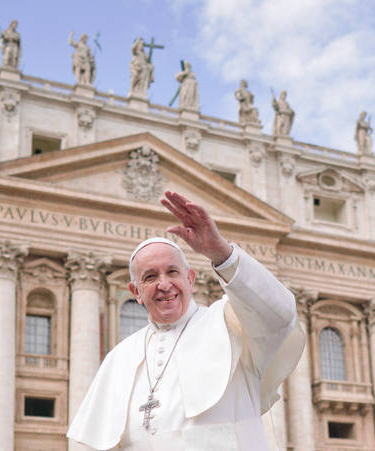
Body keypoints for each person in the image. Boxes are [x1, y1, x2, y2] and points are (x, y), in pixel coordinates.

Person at [68, 191, 305, 450]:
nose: (164, 284)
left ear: (190, 279)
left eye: (172, 272)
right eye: (150, 277)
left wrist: (221, 253)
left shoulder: (231, 324)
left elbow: (280, 315)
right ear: (135, 292)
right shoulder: (119, 357)